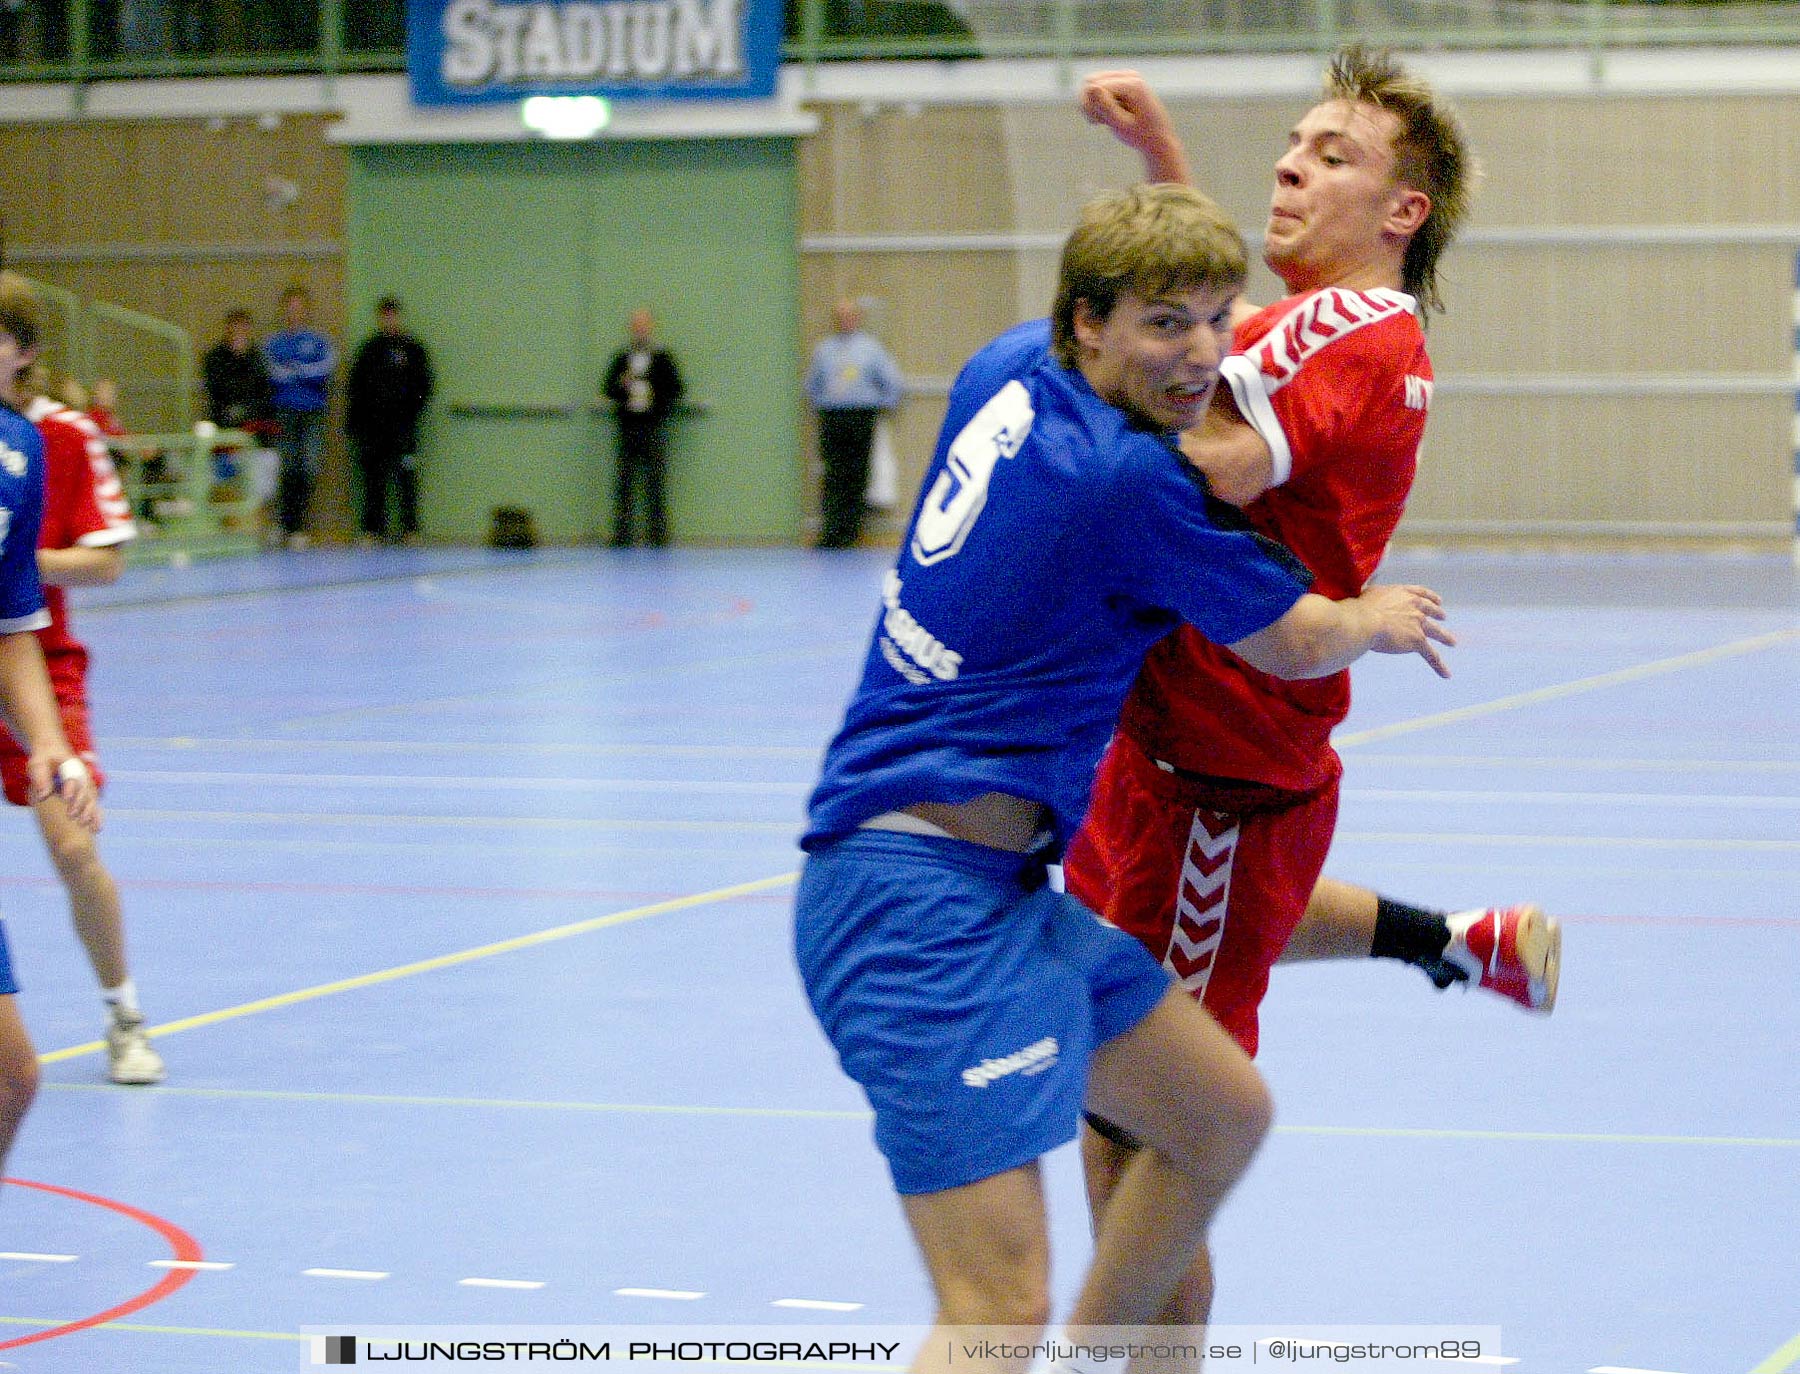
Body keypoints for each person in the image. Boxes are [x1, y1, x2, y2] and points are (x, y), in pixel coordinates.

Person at [795, 183, 1455, 1371]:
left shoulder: (1010, 363)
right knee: (992, 1310)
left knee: (1221, 1117)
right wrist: (1372, 615)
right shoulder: (1126, 481)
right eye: (1165, 323)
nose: (1201, 353)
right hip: (916, 912)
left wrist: (1155, 163)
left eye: (1215, 318)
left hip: (997, 896)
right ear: (1088, 323)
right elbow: (1286, 639)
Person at [1065, 49, 1555, 1325]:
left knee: (1145, 1133)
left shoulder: (1354, 324)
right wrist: (1164, 161)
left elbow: (1215, 455)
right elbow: (1214, 356)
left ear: (1405, 212)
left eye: (1332, 154)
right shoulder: (1312, 320)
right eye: (1293, 143)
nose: (1290, 163)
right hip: (1174, 746)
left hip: (1216, 770)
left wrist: (1056, 421)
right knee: (1122, 1067)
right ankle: (1455, 940)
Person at [13, 355, 162, 1086]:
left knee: (74, 849)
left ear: (23, 353)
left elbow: (105, 563)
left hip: (38, 666)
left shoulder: (61, 438)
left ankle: (124, 1015)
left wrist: (18, 563)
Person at [0, 276, 108, 1174]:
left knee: (12, 1081)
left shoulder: (22, 452)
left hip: (36, 679)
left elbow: (15, 623)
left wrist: (49, 743)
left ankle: (124, 1006)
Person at [803, 298, 904, 549]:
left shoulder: (871, 349)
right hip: (832, 416)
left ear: (857, 319)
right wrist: (821, 404)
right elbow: (812, 384)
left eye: (850, 316)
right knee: (833, 474)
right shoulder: (824, 349)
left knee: (857, 475)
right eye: (841, 316)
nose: (845, 321)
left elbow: (892, 382)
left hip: (861, 416)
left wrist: (882, 406)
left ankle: (851, 532)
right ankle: (832, 532)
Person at [347, 295, 435, 546]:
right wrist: (357, 424)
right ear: (379, 319)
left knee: (406, 478)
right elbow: (357, 389)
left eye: (393, 315)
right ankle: (373, 529)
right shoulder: (369, 350)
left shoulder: (413, 349)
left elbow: (424, 385)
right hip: (373, 428)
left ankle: (410, 529)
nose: (389, 320)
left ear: (399, 317)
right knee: (374, 480)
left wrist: (409, 412)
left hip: (403, 426)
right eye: (384, 316)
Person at [600, 308, 684, 549]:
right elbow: (608, 390)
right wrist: (621, 385)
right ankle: (622, 535)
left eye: (644, 325)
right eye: (636, 325)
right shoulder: (621, 359)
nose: (640, 329)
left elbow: (677, 389)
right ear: (631, 328)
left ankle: (658, 535)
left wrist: (655, 391)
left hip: (653, 425)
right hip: (628, 426)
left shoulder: (663, 358)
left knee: (655, 482)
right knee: (624, 481)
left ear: (651, 327)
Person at [263, 285, 335, 549]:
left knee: (309, 466)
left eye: (299, 307)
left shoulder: (319, 341)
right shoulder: (274, 342)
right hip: (284, 411)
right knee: (287, 467)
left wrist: (298, 370)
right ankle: (284, 524)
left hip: (312, 411)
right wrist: (296, 374)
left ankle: (300, 527)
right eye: (290, 307)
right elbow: (273, 374)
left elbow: (324, 370)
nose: (294, 312)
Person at [202, 307, 279, 523]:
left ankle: (260, 527)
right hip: (225, 438)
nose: (239, 331)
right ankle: (230, 527)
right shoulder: (215, 358)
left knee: (262, 485)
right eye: (234, 326)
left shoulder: (259, 359)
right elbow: (219, 393)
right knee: (223, 484)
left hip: (256, 435)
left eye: (243, 326)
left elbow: (264, 394)